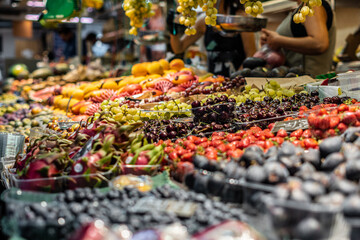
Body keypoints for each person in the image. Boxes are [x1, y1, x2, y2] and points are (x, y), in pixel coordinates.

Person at [169, 0, 257, 77]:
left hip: (237, 80)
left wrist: (236, 79)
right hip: (214, 83)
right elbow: (178, 48)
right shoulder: (204, 21)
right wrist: (173, 30)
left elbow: (251, 54)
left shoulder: (240, 18)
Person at [260, 0, 336, 76]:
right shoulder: (301, 8)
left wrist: (278, 40)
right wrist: (271, 40)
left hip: (310, 81)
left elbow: (319, 44)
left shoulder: (311, 4)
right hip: (300, 79)